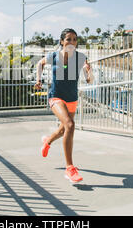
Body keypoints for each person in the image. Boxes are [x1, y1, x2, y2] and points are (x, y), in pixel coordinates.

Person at [34, 28, 94, 183]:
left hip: (72, 98)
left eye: (74, 39)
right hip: (56, 97)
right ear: (62, 41)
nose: (72, 42)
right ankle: (70, 168)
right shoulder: (53, 56)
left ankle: (47, 141)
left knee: (63, 129)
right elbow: (39, 64)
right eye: (68, 39)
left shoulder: (81, 57)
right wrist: (39, 80)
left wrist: (89, 74)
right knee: (70, 124)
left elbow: (89, 77)